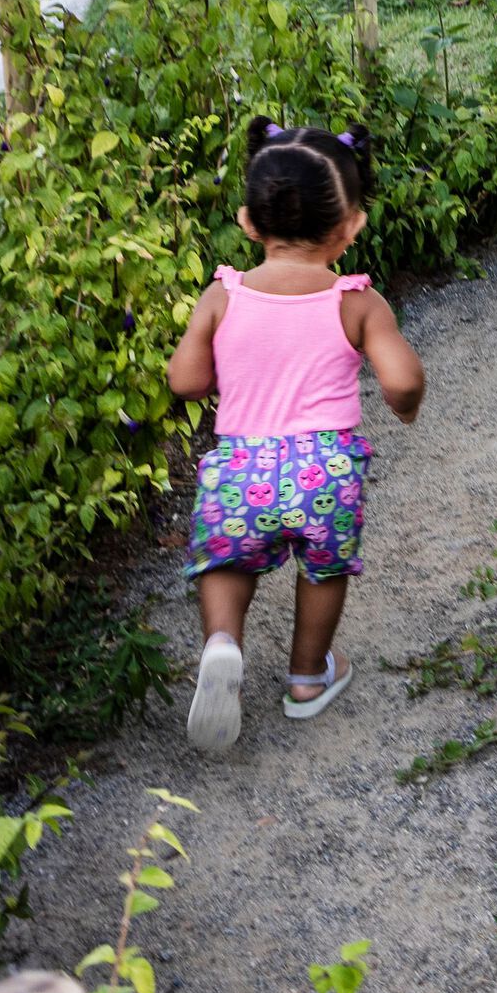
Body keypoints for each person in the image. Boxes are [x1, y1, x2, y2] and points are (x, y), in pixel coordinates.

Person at [166, 117, 424, 751]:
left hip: (241, 466)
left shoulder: (223, 295)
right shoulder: (356, 301)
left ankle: (223, 642)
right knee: (323, 568)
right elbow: (403, 378)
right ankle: (308, 677)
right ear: (350, 226)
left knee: (226, 561)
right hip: (324, 470)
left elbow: (184, 381)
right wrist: (405, 403)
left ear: (249, 223)